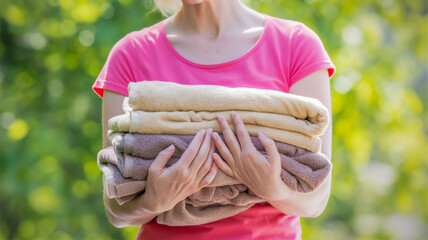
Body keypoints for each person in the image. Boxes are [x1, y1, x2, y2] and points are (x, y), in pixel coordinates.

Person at [92, 0, 336, 239]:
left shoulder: (296, 44)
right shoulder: (131, 54)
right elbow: (116, 210)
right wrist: (153, 200)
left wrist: (274, 188)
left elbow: (316, 199)